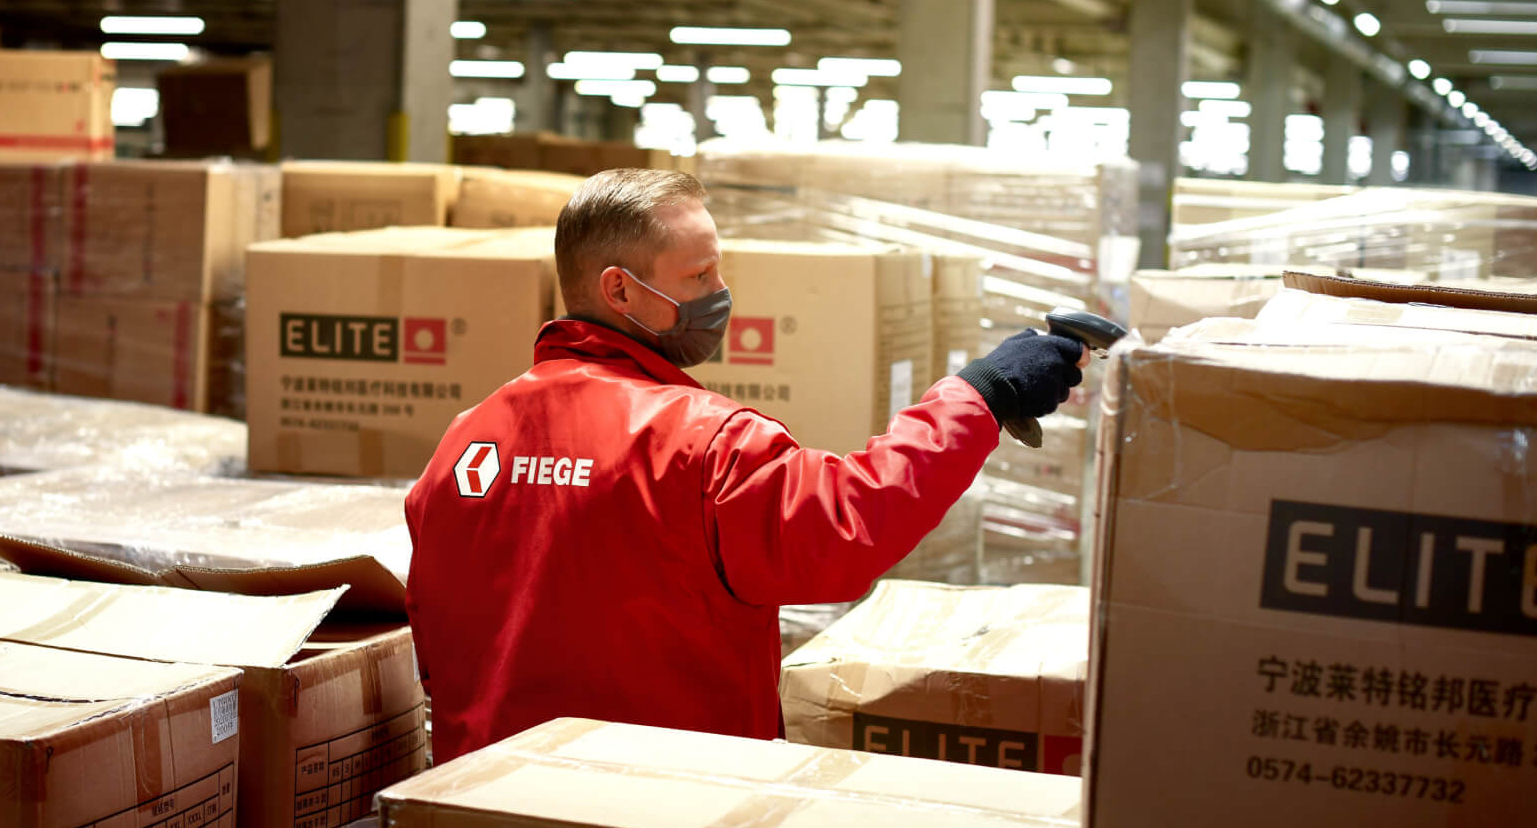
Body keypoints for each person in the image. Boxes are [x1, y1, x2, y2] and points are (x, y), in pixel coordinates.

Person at [403, 168, 1088, 763]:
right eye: (699, 276)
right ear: (620, 290)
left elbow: (436, 651)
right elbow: (853, 518)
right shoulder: (704, 446)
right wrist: (982, 395)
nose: (721, 292)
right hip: (656, 808)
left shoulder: (467, 445)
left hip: (482, 802)